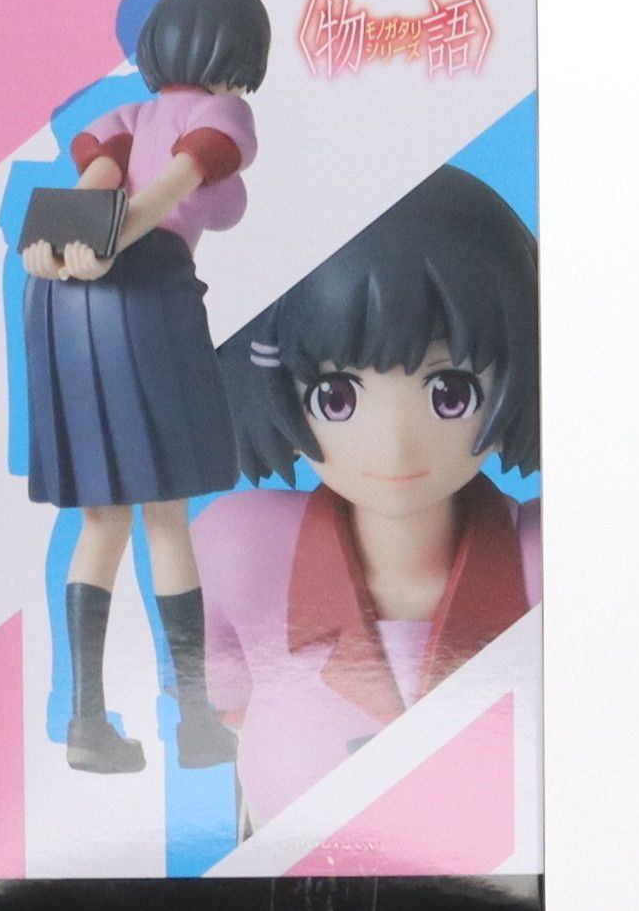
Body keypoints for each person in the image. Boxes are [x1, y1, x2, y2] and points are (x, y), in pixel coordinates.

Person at [191, 166, 541, 825]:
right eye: (337, 397)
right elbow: (223, 700)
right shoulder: (240, 552)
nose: (395, 445)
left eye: (451, 393)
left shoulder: (545, 563)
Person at [21, 0, 271, 773]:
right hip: (143, 287)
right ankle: (195, 720)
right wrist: (112, 244)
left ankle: (87, 724)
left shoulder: (127, 116)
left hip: (62, 306)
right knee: (165, 516)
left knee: (103, 519)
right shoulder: (221, 113)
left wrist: (62, 248)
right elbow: (174, 188)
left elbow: (94, 184)